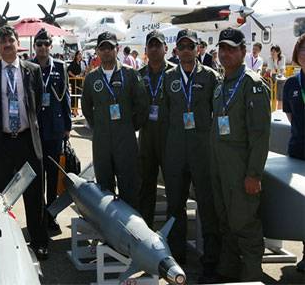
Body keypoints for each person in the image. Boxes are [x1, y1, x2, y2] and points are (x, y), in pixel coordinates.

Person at [0, 25, 49, 260]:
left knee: (34, 194)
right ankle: (0, 245)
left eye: (10, 40)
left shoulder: (33, 70)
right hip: (1, 144)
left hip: (28, 141)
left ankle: (39, 241)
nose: (7, 44)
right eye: (2, 41)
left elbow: (37, 104)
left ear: (17, 43)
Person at [211, 28, 270, 282]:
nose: (226, 54)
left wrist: (253, 174)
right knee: (226, 223)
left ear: (244, 52)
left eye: (232, 49)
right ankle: (228, 273)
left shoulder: (252, 86)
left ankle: (251, 277)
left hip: (241, 170)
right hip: (221, 169)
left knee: (245, 226)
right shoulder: (221, 86)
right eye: (222, 49)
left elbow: (260, 135)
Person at [162, 29, 221, 281]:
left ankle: (210, 261)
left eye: (191, 46)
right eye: (182, 46)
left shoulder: (210, 78)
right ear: (176, 50)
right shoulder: (168, 78)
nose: (186, 50)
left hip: (201, 151)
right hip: (176, 150)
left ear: (198, 49)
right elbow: (164, 114)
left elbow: (218, 114)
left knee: (207, 206)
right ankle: (177, 258)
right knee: (174, 206)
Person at [81, 32, 148, 208]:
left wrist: (130, 126)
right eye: (102, 48)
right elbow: (86, 107)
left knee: (129, 187)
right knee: (104, 188)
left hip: (125, 140)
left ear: (116, 49)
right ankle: (107, 233)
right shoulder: (91, 78)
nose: (106, 51)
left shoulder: (130, 75)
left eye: (110, 47)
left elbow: (142, 105)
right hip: (102, 141)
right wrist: (98, 127)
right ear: (97, 51)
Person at [30, 28, 72, 233]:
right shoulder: (28, 67)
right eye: (39, 44)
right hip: (35, 129)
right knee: (38, 176)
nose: (43, 48)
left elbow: (66, 97)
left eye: (46, 44)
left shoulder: (60, 67)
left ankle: (51, 214)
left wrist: (68, 126)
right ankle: (38, 215)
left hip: (55, 129)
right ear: (34, 47)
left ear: (50, 46)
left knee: (53, 175)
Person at [136, 30, 175, 227]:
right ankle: (145, 231)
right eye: (150, 45)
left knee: (174, 189)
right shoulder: (139, 76)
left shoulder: (174, 74)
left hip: (169, 139)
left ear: (165, 48)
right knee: (146, 187)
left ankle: (174, 238)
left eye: (157, 45)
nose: (153, 49)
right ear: (145, 50)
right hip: (146, 138)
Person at [283, 35, 305, 272]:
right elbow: (290, 116)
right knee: (302, 204)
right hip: (299, 150)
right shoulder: (291, 84)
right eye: (303, 49)